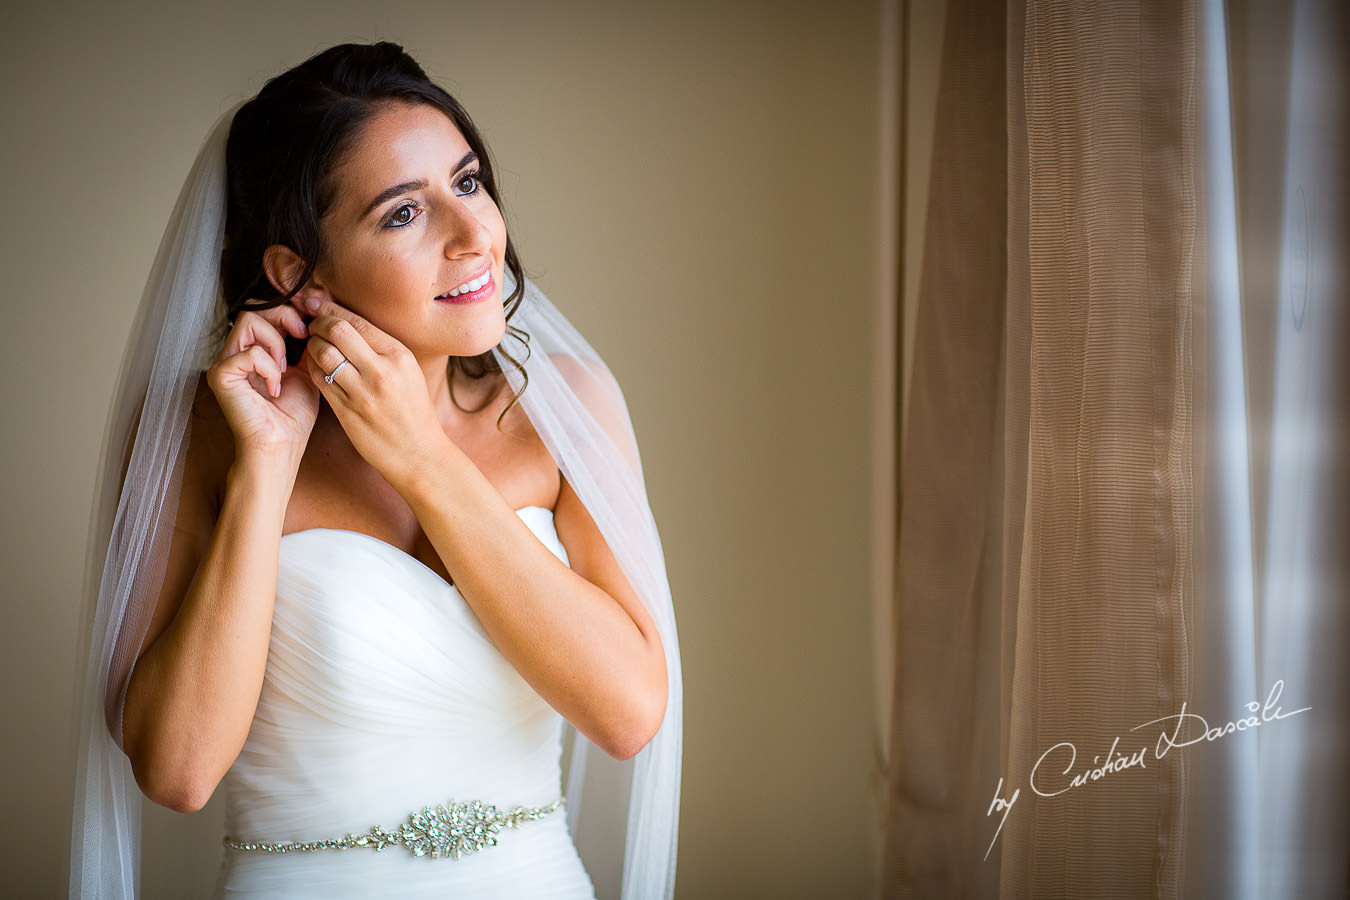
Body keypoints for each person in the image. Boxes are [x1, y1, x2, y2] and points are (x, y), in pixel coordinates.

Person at [70, 42, 682, 899]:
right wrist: (267, 466)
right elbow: (178, 773)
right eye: (404, 214)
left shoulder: (564, 404)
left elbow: (627, 716)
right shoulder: (201, 430)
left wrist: (423, 458)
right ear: (297, 271)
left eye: (468, 184)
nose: (475, 235)